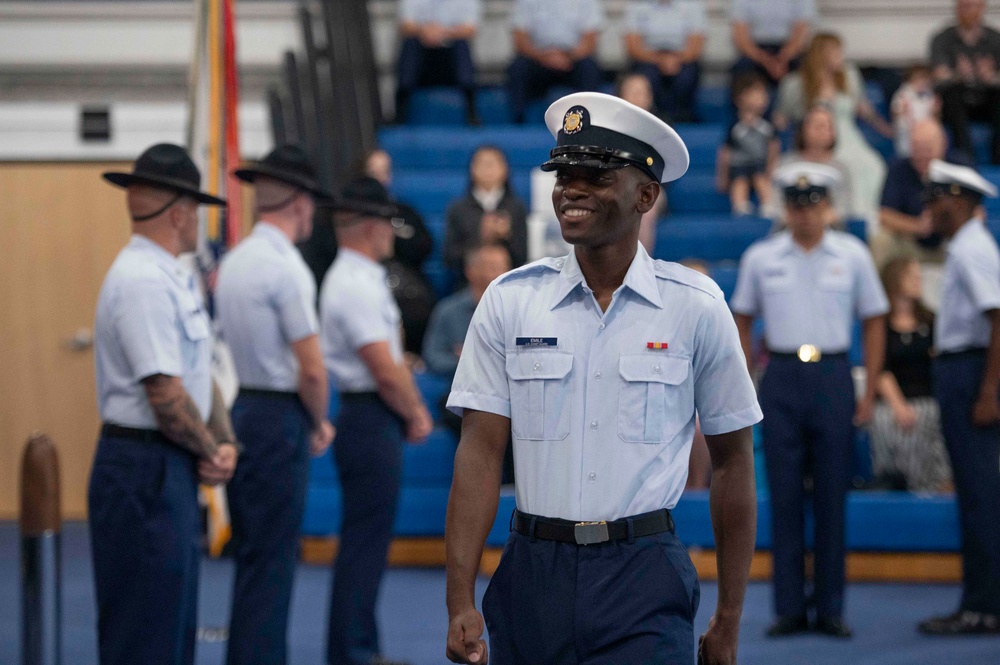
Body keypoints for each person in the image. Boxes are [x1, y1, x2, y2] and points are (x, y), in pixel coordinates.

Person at [444, 92, 762, 664]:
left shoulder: (695, 306)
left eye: (594, 174)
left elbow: (734, 461)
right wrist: (459, 597)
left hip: (644, 572)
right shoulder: (510, 300)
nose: (571, 188)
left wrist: (730, 617)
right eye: (564, 173)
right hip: (531, 572)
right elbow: (479, 451)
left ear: (646, 194)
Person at [90, 143, 239, 664]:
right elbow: (165, 395)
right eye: (195, 209)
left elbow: (199, 376)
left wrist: (221, 439)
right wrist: (213, 450)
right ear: (179, 213)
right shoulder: (142, 281)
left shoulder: (171, 275)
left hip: (167, 462)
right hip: (143, 466)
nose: (198, 221)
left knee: (172, 623)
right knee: (145, 632)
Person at [731, 161, 889, 639]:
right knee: (782, 498)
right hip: (779, 377)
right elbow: (741, 317)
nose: (805, 213)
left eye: (814, 204)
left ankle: (831, 607)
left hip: (833, 375)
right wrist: (743, 380)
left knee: (831, 497)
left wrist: (871, 388)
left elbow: (875, 319)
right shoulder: (762, 256)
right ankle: (788, 608)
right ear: (786, 207)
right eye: (797, 205)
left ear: (828, 206)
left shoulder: (853, 254)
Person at [215, 145, 336, 665]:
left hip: (244, 407)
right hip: (278, 416)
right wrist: (319, 419)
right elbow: (310, 366)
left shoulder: (234, 261)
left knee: (253, 556)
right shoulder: (288, 269)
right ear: (301, 202)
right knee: (274, 560)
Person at [321, 176, 434, 665]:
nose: (393, 230)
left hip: (368, 413)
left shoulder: (360, 276)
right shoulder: (354, 281)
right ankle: (353, 651)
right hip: (370, 415)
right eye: (387, 221)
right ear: (370, 226)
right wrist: (416, 412)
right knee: (365, 544)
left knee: (366, 541)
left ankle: (359, 645)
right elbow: (384, 369)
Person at [918, 159, 1000, 635]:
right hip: (963, 370)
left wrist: (988, 390)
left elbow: (998, 319)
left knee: (980, 497)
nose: (932, 208)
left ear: (963, 201)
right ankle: (981, 600)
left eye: (939, 200)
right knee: (975, 494)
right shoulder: (967, 245)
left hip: (971, 373)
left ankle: (983, 606)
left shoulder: (973, 249)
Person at [775, 33, 893, 224]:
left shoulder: (849, 75)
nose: (841, 56)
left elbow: (864, 109)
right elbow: (782, 117)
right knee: (842, 166)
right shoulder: (795, 83)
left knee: (874, 166)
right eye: (836, 51)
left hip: (850, 138)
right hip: (816, 139)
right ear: (822, 54)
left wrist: (886, 129)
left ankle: (868, 221)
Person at [870, 257, 951, 493]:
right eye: (911, 276)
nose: (918, 281)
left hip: (928, 398)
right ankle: (898, 483)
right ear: (895, 280)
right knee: (888, 421)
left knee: (928, 417)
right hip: (894, 401)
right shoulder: (881, 325)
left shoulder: (931, 321)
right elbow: (880, 368)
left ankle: (931, 487)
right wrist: (898, 405)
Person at [363, 148, 437, 354]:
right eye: (373, 172)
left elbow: (425, 246)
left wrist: (396, 239)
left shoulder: (404, 212)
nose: (380, 178)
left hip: (406, 285)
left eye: (385, 172)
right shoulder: (355, 218)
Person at [507, 0, 603, 124]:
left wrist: (567, 57)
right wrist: (544, 57)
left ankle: (591, 121)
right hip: (538, 59)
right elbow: (520, 38)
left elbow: (590, 39)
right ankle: (518, 121)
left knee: (589, 68)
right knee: (518, 68)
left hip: (572, 60)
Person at [871, 119, 951, 268]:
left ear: (942, 145)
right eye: (917, 148)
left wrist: (945, 224)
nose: (922, 155)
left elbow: (978, 213)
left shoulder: (959, 168)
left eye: (927, 149)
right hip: (909, 243)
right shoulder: (898, 168)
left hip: (949, 244)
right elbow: (884, 215)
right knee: (881, 240)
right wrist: (918, 226)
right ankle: (879, 290)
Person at [930, 0, 1000, 165]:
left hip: (987, 100)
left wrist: (991, 76)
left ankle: (997, 161)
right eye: (964, 6)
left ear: (982, 7)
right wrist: (958, 75)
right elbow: (939, 75)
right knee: (952, 93)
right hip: (956, 104)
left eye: (972, 5)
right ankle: (966, 159)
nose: (967, 11)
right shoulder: (942, 38)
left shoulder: (995, 39)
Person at [444, 145, 528, 280]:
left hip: (510, 283)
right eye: (482, 163)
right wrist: (481, 238)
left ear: (505, 169)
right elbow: (449, 258)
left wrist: (507, 237)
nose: (488, 169)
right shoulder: (458, 209)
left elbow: (522, 256)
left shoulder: (517, 208)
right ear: (472, 169)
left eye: (493, 163)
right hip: (468, 286)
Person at [394, 0, 481, 125]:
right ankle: (400, 113)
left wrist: (443, 32)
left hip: (450, 58)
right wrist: (425, 31)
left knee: (462, 46)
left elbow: (470, 29)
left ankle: (472, 112)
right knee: (410, 45)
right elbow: (405, 26)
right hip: (422, 57)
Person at [767, 104, 852, 223]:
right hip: (787, 229)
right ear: (803, 129)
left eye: (827, 127)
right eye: (817, 126)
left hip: (829, 231)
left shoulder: (840, 169)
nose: (822, 131)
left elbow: (843, 208)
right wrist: (796, 221)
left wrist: (815, 223)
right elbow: (773, 204)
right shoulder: (784, 165)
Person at [624, 0, 707, 122]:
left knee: (688, 75)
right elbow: (633, 47)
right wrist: (660, 60)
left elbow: (696, 46)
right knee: (646, 75)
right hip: (649, 58)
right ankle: (652, 117)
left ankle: (681, 117)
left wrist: (675, 60)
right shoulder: (637, 7)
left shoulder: (693, 6)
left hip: (681, 58)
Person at [717, 73, 779, 216]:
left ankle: (768, 203)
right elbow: (725, 151)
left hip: (760, 163)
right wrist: (723, 175)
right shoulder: (735, 126)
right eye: (756, 94)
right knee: (739, 182)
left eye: (764, 94)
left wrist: (771, 167)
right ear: (740, 99)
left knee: (761, 179)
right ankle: (740, 205)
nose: (763, 98)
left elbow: (773, 146)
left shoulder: (767, 125)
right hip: (739, 164)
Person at [730, 0, 816, 87]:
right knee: (742, 68)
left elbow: (800, 35)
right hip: (757, 50)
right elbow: (741, 38)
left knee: (808, 68)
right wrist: (766, 61)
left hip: (790, 50)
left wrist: (783, 59)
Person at [891, 64, 940, 158]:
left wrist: (936, 111)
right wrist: (901, 112)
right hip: (907, 136)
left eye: (925, 78)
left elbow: (935, 118)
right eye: (919, 78)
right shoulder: (902, 95)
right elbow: (895, 115)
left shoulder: (930, 95)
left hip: (925, 135)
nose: (922, 81)